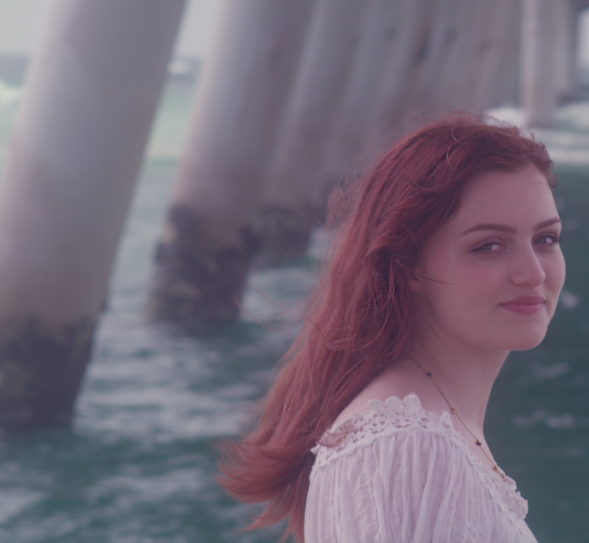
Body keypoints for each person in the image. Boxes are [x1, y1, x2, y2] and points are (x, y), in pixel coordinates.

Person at [218, 114, 563, 543]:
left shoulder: (426, 430)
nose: (531, 273)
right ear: (409, 265)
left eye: (546, 239)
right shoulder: (407, 447)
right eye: (488, 246)